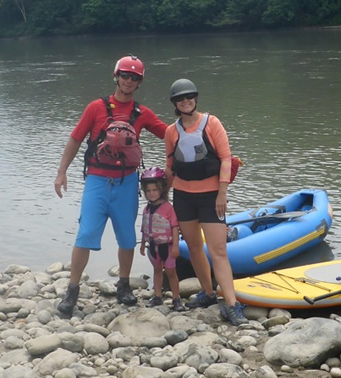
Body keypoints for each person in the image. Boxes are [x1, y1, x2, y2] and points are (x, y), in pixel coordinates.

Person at [54, 55, 168, 315]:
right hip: (96, 181)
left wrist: (197, 125)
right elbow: (75, 139)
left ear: (139, 82)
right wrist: (61, 173)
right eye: (125, 75)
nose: (129, 81)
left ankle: (124, 285)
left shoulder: (142, 113)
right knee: (85, 234)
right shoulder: (96, 108)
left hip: (127, 182)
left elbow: (169, 134)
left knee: (127, 236)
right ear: (116, 76)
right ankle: (72, 289)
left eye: (134, 77)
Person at [164, 78, 248, 326]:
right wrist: (164, 199)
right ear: (175, 103)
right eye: (181, 98)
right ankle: (208, 293)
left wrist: (222, 192)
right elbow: (170, 166)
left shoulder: (212, 123)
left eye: (189, 97)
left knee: (219, 250)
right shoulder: (171, 132)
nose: (186, 101)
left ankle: (232, 305)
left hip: (211, 196)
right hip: (183, 196)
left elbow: (224, 159)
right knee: (193, 247)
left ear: (196, 98)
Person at [138, 167, 185, 311]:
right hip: (153, 246)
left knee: (171, 272)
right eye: (148, 191)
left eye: (154, 190)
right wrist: (143, 244)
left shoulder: (168, 208)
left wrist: (176, 246)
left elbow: (174, 227)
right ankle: (157, 296)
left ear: (161, 190)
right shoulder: (147, 209)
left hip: (168, 246)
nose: (151, 194)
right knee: (157, 270)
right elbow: (145, 226)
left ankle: (176, 298)